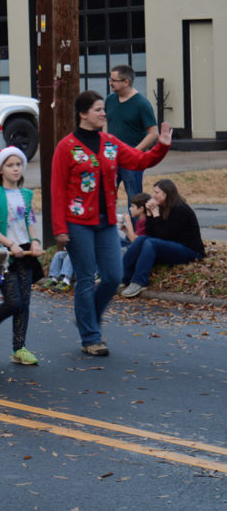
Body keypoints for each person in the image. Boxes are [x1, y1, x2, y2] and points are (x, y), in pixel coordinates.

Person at [52, 90, 172, 356]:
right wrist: (59, 228)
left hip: (105, 222)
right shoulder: (67, 146)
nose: (103, 113)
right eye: (97, 109)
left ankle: (86, 318)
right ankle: (91, 337)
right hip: (77, 222)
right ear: (83, 114)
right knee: (84, 279)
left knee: (113, 277)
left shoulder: (110, 143)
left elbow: (140, 160)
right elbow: (57, 189)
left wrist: (161, 145)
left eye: (103, 109)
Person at [0, 147, 44, 366]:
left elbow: (30, 222)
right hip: (2, 255)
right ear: (0, 171)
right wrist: (9, 243)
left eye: (18, 164)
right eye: (10, 165)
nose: (15, 169)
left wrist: (35, 241)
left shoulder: (26, 195)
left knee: (24, 303)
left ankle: (19, 349)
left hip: (23, 252)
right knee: (14, 302)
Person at [120, 180, 204, 298]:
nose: (153, 196)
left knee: (150, 243)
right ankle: (123, 278)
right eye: (153, 192)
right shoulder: (161, 208)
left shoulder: (181, 210)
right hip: (171, 246)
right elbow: (150, 233)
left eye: (156, 193)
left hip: (190, 251)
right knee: (141, 240)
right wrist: (150, 214)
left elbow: (165, 236)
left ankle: (139, 282)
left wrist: (155, 214)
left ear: (166, 194)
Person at [105, 64, 158, 201]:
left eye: (113, 80)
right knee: (106, 197)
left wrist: (134, 152)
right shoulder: (110, 100)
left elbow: (153, 133)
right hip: (111, 158)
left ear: (126, 82)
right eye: (110, 79)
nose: (110, 83)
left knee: (134, 199)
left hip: (132, 161)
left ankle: (136, 223)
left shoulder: (142, 103)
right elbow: (105, 121)